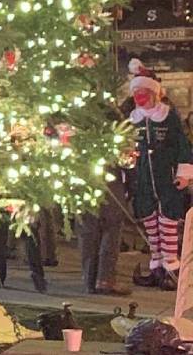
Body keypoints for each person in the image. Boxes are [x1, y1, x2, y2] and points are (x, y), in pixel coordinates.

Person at [126, 60, 193, 291]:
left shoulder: (168, 116)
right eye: (136, 93)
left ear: (153, 93)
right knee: (150, 221)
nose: (139, 97)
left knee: (168, 222)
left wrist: (185, 173)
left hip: (167, 176)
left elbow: (183, 145)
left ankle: (171, 269)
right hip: (144, 179)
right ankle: (156, 267)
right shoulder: (133, 119)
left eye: (143, 92)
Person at [79, 165, 130, 295]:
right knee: (112, 227)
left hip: (83, 176)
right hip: (109, 177)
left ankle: (89, 279)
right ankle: (105, 279)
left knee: (90, 228)